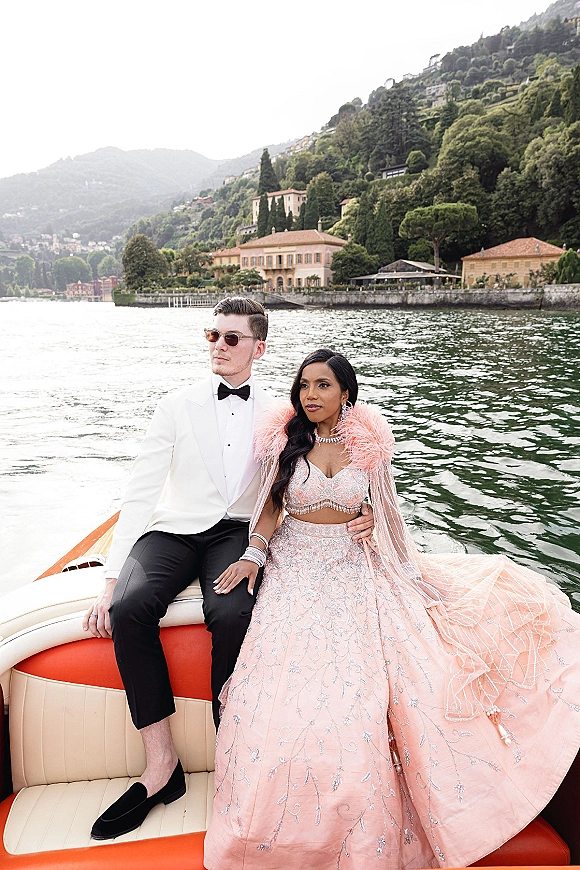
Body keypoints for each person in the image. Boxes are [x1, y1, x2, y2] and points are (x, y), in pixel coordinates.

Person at [204, 348, 580, 870]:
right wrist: (252, 555)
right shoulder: (284, 442)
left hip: (356, 563)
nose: (310, 396)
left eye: (322, 386)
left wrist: (377, 533)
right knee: (293, 682)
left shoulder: (370, 448)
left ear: (346, 393)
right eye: (304, 386)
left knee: (369, 679)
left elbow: (387, 514)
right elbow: (270, 509)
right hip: (296, 564)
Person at [82, 300, 374, 841]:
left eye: (233, 338)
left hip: (235, 533)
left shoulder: (285, 412)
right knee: (128, 606)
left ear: (258, 348)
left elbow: (334, 464)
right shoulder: (175, 404)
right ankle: (160, 767)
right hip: (173, 530)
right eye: (213, 334)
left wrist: (368, 513)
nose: (219, 344)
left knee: (234, 611)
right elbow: (142, 490)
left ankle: (236, 759)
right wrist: (108, 579)